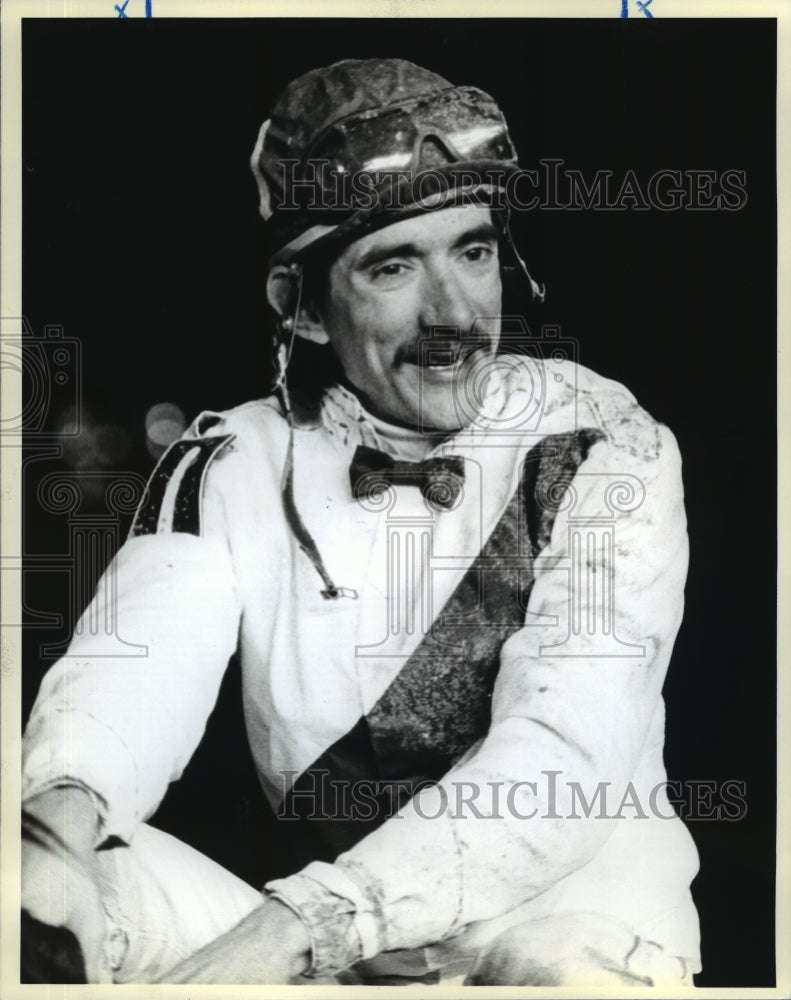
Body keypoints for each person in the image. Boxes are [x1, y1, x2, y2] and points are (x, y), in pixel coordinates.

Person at [21, 58, 701, 986]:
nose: (455, 314)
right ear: (298, 307)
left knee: (562, 971)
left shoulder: (603, 443)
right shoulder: (228, 459)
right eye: (393, 266)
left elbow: (563, 754)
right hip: (345, 973)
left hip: (570, 941)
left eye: (473, 250)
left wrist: (288, 933)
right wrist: (48, 839)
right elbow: (133, 670)